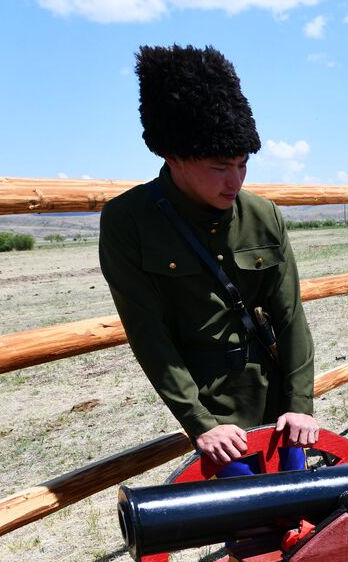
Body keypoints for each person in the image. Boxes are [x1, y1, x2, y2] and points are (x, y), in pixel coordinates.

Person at [99, 45, 318, 477]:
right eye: (220, 166)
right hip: (210, 411)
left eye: (242, 164)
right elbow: (149, 335)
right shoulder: (130, 221)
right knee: (247, 527)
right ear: (173, 157)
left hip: (275, 403)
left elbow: (290, 315)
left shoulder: (263, 215)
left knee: (303, 515)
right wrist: (200, 423)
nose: (235, 180)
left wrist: (299, 406)